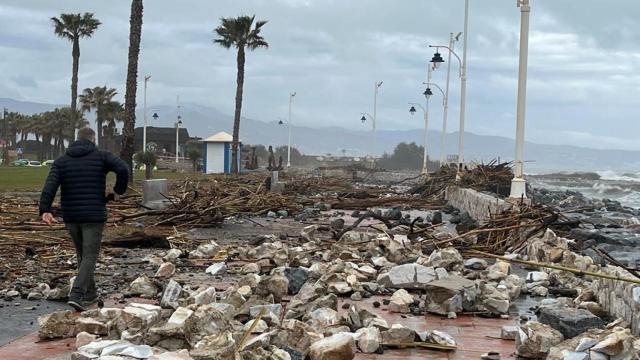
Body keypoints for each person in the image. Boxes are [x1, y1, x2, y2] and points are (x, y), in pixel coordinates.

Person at [39, 127, 129, 311]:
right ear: (92, 139)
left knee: (82, 254)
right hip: (94, 215)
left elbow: (50, 186)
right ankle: (77, 293)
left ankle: (90, 293)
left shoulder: (61, 161)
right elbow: (123, 169)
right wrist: (118, 191)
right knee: (90, 255)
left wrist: (45, 210)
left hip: (71, 216)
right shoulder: (101, 156)